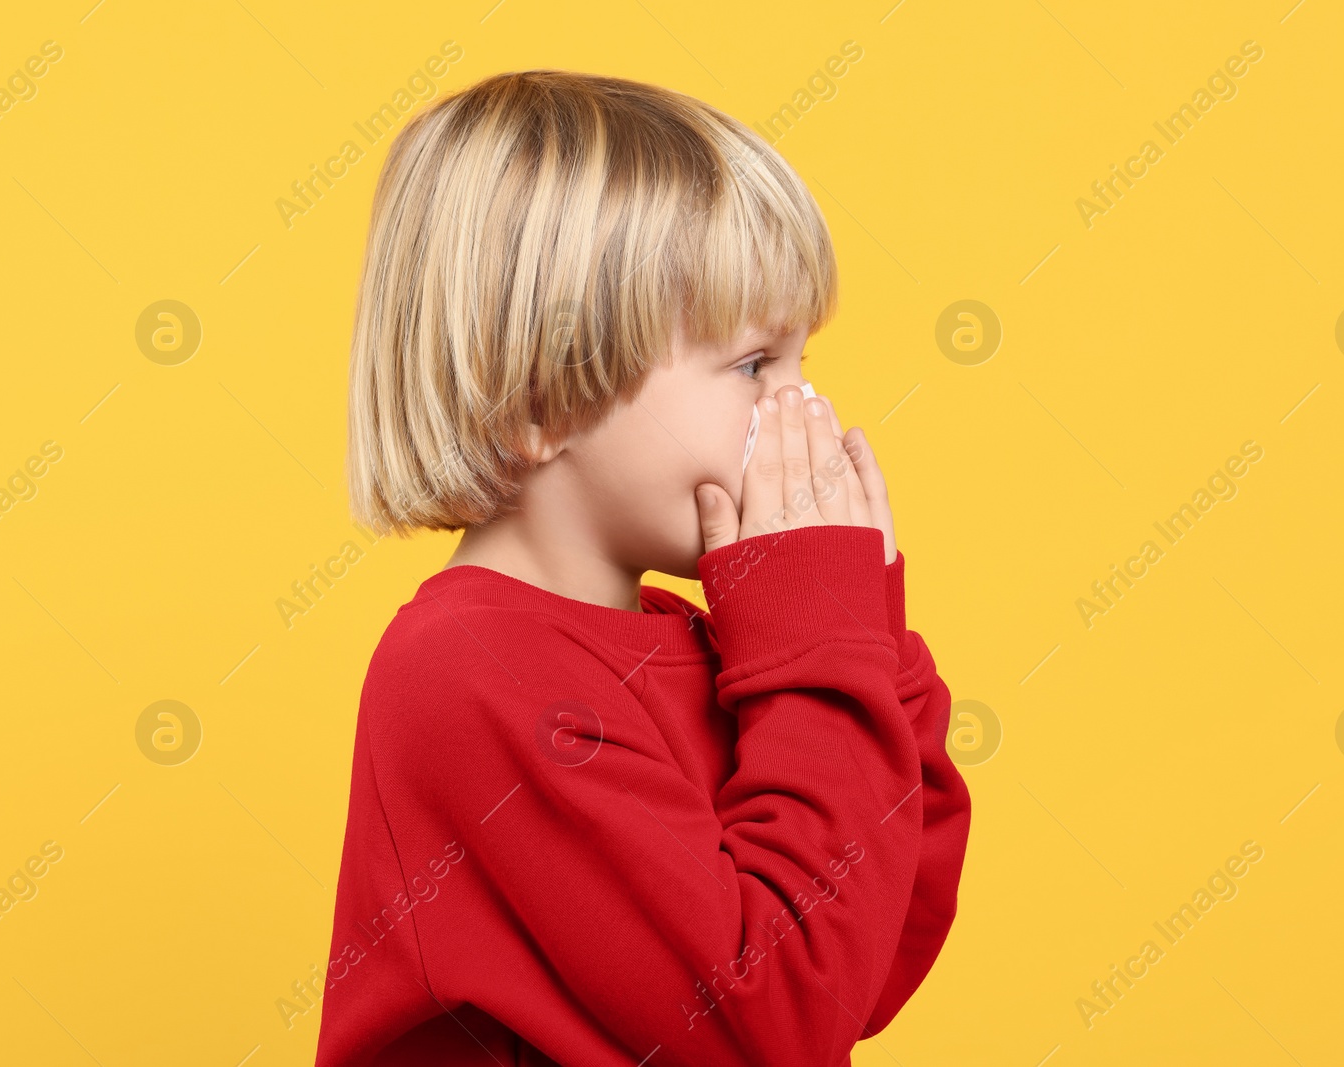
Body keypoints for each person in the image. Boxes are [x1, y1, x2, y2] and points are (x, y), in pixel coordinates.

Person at [320, 67, 970, 1067]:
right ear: (535, 402)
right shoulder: (469, 669)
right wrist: (818, 643)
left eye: (802, 361)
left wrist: (860, 641)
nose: (804, 410)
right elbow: (770, 1026)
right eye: (755, 365)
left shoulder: (719, 647)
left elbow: (862, 965)